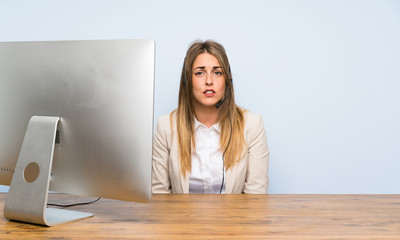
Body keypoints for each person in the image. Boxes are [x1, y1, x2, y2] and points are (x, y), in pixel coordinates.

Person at [152, 40, 269, 194]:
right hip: (180, 218)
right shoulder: (166, 126)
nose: (209, 81)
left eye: (217, 72)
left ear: (228, 81)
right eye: (200, 73)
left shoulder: (252, 125)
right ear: (187, 81)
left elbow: (256, 196)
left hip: (236, 218)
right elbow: (159, 195)